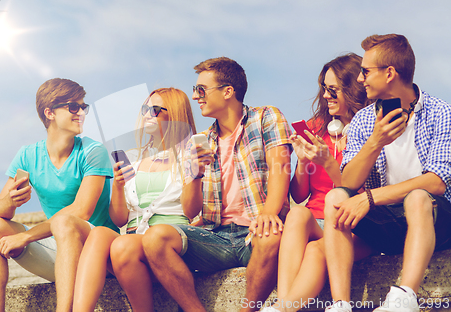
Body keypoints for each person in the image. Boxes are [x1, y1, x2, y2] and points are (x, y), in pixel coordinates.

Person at [141, 57, 293, 312]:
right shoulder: (203, 141)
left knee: (270, 236)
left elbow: (281, 168)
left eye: (201, 90)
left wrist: (268, 213)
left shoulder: (266, 117)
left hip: (255, 231)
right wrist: (195, 173)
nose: (195, 96)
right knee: (154, 239)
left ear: (228, 92)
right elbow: (190, 212)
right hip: (217, 236)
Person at [323, 34, 451, 312]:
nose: (360, 79)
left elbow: (437, 182)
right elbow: (348, 183)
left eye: (366, 72)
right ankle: (341, 305)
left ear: (390, 73)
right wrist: (375, 142)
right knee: (335, 198)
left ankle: (405, 297)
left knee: (418, 196)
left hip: (436, 220)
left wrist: (370, 198)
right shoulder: (364, 120)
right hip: (388, 223)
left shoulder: (440, 112)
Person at [0, 78, 117, 312]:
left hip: (99, 253)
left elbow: (82, 211)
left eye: (84, 107)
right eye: (74, 107)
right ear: (49, 112)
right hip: (61, 250)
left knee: (64, 223)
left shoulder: (93, 152)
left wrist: (27, 236)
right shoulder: (28, 156)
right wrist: (10, 202)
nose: (81, 112)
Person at [72, 87, 197, 312]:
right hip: (130, 242)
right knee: (100, 233)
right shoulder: (133, 157)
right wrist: (118, 186)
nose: (147, 114)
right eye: (145, 109)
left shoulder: (191, 157)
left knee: (122, 245)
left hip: (167, 243)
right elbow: (119, 219)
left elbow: (192, 211)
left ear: (176, 114)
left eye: (156, 110)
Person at [262, 53, 369, 312]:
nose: (325, 96)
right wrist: (302, 162)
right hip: (316, 219)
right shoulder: (315, 128)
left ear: (352, 89)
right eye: (324, 89)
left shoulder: (369, 131)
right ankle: (283, 304)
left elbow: (359, 193)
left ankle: (282, 308)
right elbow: (299, 196)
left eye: (333, 90)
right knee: (297, 214)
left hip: (351, 223)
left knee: (314, 251)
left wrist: (329, 165)